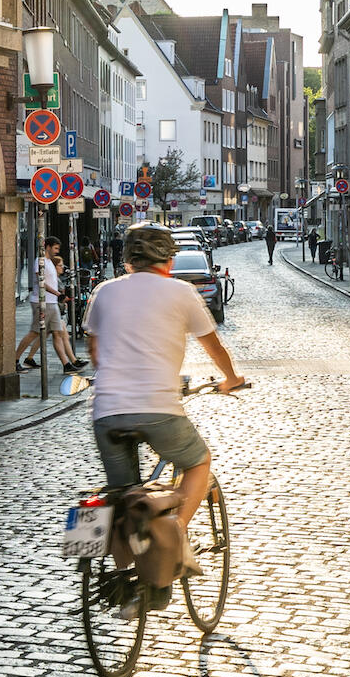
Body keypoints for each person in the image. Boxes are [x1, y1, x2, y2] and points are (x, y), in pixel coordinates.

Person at [85, 223, 248, 610]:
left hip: (107, 411)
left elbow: (96, 352)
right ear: (168, 259)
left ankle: (113, 566)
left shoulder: (103, 292)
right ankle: (173, 535)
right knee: (198, 462)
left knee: (123, 496)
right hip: (158, 407)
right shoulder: (181, 291)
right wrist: (231, 378)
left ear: (127, 260)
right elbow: (213, 344)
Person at [16, 237, 86, 373]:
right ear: (47, 247)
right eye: (55, 248)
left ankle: (67, 365)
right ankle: (15, 359)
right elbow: (41, 281)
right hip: (41, 302)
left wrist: (57, 295)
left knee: (57, 333)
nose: (56, 251)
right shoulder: (40, 261)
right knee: (34, 333)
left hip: (52, 302)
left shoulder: (49, 262)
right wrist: (58, 294)